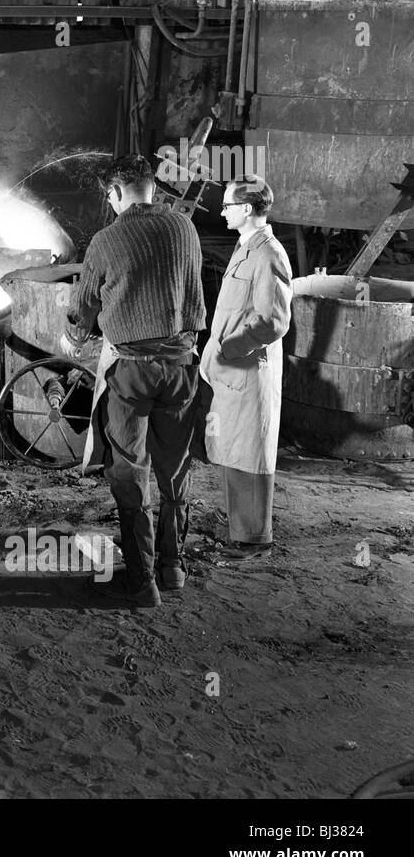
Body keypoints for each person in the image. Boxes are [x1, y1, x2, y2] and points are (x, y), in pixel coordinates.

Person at [59, 154, 206, 608]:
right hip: (182, 369)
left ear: (118, 192)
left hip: (133, 372)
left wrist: (72, 337)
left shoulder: (106, 240)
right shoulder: (185, 229)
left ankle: (142, 582)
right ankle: (173, 566)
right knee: (175, 466)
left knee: (129, 468)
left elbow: (83, 311)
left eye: (109, 195)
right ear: (151, 185)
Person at [199, 177, 292, 558]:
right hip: (233, 370)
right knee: (235, 452)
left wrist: (229, 349)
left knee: (250, 454)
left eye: (227, 206)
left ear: (248, 209)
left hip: (249, 370)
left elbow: (272, 321)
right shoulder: (246, 248)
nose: (222, 212)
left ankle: (254, 540)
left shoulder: (269, 254)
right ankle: (242, 531)